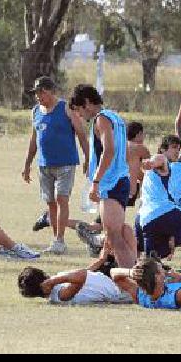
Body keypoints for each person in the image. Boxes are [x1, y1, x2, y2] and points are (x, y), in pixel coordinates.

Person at [69, 84, 135, 269]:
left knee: (114, 236)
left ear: (87, 103)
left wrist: (96, 181)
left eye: (79, 111)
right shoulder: (115, 117)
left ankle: (132, 281)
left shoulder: (101, 120)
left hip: (111, 182)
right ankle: (121, 273)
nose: (80, 116)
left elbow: (109, 150)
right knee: (113, 234)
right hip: (119, 180)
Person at [22, 76, 89, 254]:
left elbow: (81, 134)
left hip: (66, 163)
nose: (38, 96)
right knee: (51, 202)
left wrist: (88, 159)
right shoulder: (36, 111)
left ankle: (60, 239)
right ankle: (56, 240)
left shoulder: (66, 108)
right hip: (44, 164)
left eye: (41, 92)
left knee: (62, 199)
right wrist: (27, 163)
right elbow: (34, 139)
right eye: (36, 93)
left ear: (51, 91)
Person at [17, 243, 132, 304]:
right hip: (117, 287)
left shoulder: (57, 285)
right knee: (125, 240)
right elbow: (82, 276)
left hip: (106, 275)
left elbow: (86, 274)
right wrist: (52, 281)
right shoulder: (60, 296)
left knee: (122, 232)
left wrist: (101, 260)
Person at [126, 121, 151, 207]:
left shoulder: (120, 145)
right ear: (139, 134)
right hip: (128, 189)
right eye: (143, 134)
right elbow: (151, 171)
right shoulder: (140, 149)